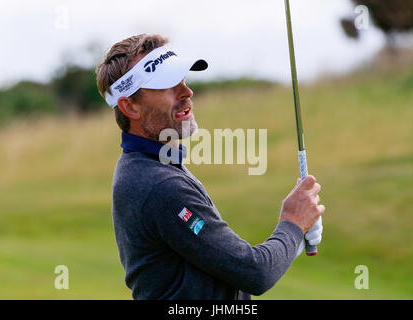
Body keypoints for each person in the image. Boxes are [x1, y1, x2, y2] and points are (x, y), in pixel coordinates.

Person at [95, 33, 325, 300]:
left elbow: (224, 267)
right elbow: (254, 272)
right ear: (130, 107)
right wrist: (293, 224)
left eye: (182, 79)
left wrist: (295, 237)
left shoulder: (155, 165)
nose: (186, 92)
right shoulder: (161, 185)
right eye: (167, 85)